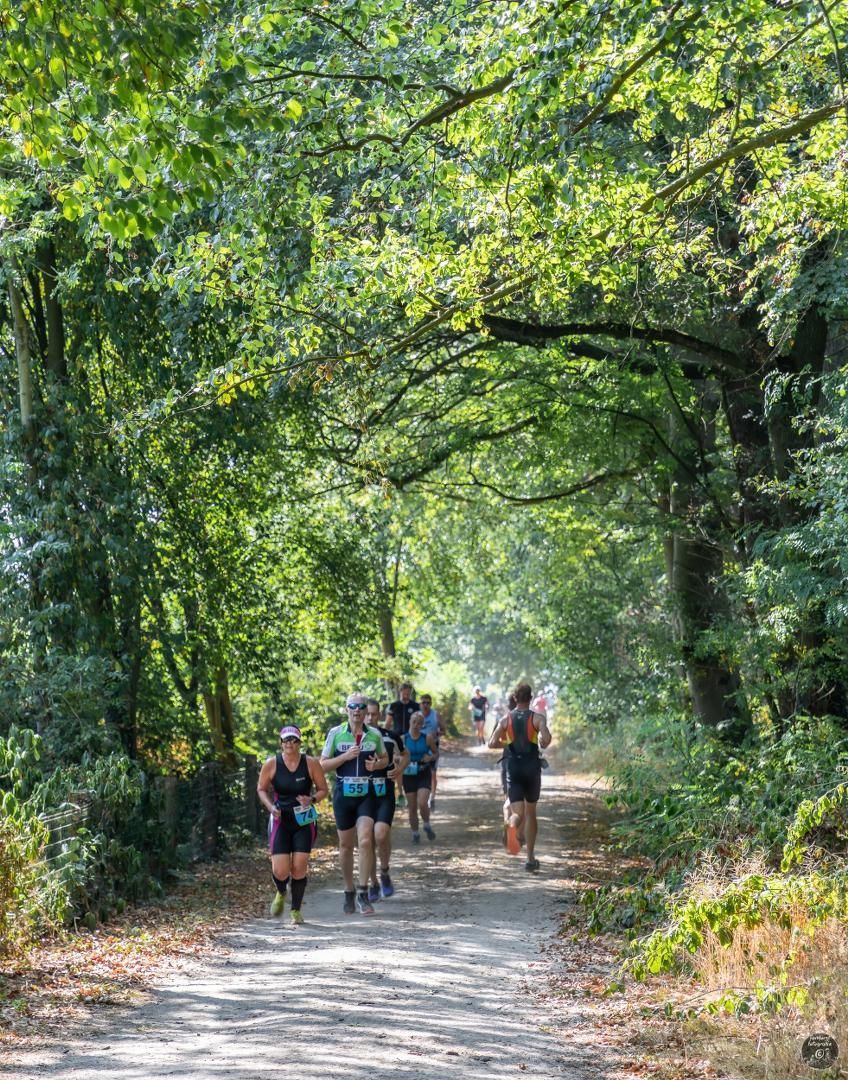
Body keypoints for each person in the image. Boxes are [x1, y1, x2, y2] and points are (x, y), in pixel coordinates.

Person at [320, 693, 388, 915]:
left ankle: (363, 893)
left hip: (366, 794)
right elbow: (322, 765)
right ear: (346, 709)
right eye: (353, 707)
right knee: (346, 845)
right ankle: (348, 891)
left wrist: (377, 765)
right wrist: (344, 757)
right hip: (343, 794)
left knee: (366, 840)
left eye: (361, 707)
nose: (357, 711)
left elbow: (385, 759)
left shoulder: (374, 735)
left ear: (366, 711)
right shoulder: (336, 734)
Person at [257, 723, 329, 925]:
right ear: (281, 742)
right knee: (280, 870)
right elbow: (261, 789)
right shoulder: (272, 764)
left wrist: (312, 799)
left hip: (303, 820)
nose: (290, 743)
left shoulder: (310, 763)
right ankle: (281, 891)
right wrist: (271, 807)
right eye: (286, 739)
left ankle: (296, 910)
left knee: (299, 868)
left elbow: (323, 789)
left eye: (294, 739)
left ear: (299, 742)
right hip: (280, 819)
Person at [488, 683, 552, 871]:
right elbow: (546, 740)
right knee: (531, 813)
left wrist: (508, 744)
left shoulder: (505, 719)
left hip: (513, 767)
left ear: (515, 698)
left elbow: (492, 743)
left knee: (518, 813)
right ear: (530, 698)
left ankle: (511, 825)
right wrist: (542, 740)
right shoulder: (537, 718)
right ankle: (530, 859)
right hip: (532, 768)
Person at [365, 698, 409, 902]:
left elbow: (405, 754)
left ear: (380, 715)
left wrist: (399, 769)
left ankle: (384, 871)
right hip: (362, 795)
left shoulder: (391, 737)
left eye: (374, 714)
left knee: (381, 834)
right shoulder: (354, 738)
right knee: (367, 840)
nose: (371, 717)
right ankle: (373, 882)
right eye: (368, 714)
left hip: (384, 793)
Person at [401, 710, 438, 842]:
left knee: (422, 802)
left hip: (423, 772)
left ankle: (426, 824)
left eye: (419, 723)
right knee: (412, 807)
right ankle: (415, 833)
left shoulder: (427, 738)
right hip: (408, 774)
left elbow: (436, 753)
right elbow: (395, 755)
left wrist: (430, 757)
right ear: (410, 722)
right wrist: (399, 760)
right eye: (414, 722)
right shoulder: (403, 739)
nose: (416, 725)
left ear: (422, 725)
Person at [419, 693, 442, 809]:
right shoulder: (416, 715)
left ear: (431, 704)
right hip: (419, 747)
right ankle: (419, 796)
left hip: (433, 746)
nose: (425, 705)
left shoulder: (435, 715)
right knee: (418, 772)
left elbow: (443, 730)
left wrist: (437, 733)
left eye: (428, 703)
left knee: (433, 773)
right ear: (420, 704)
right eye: (423, 703)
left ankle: (432, 797)